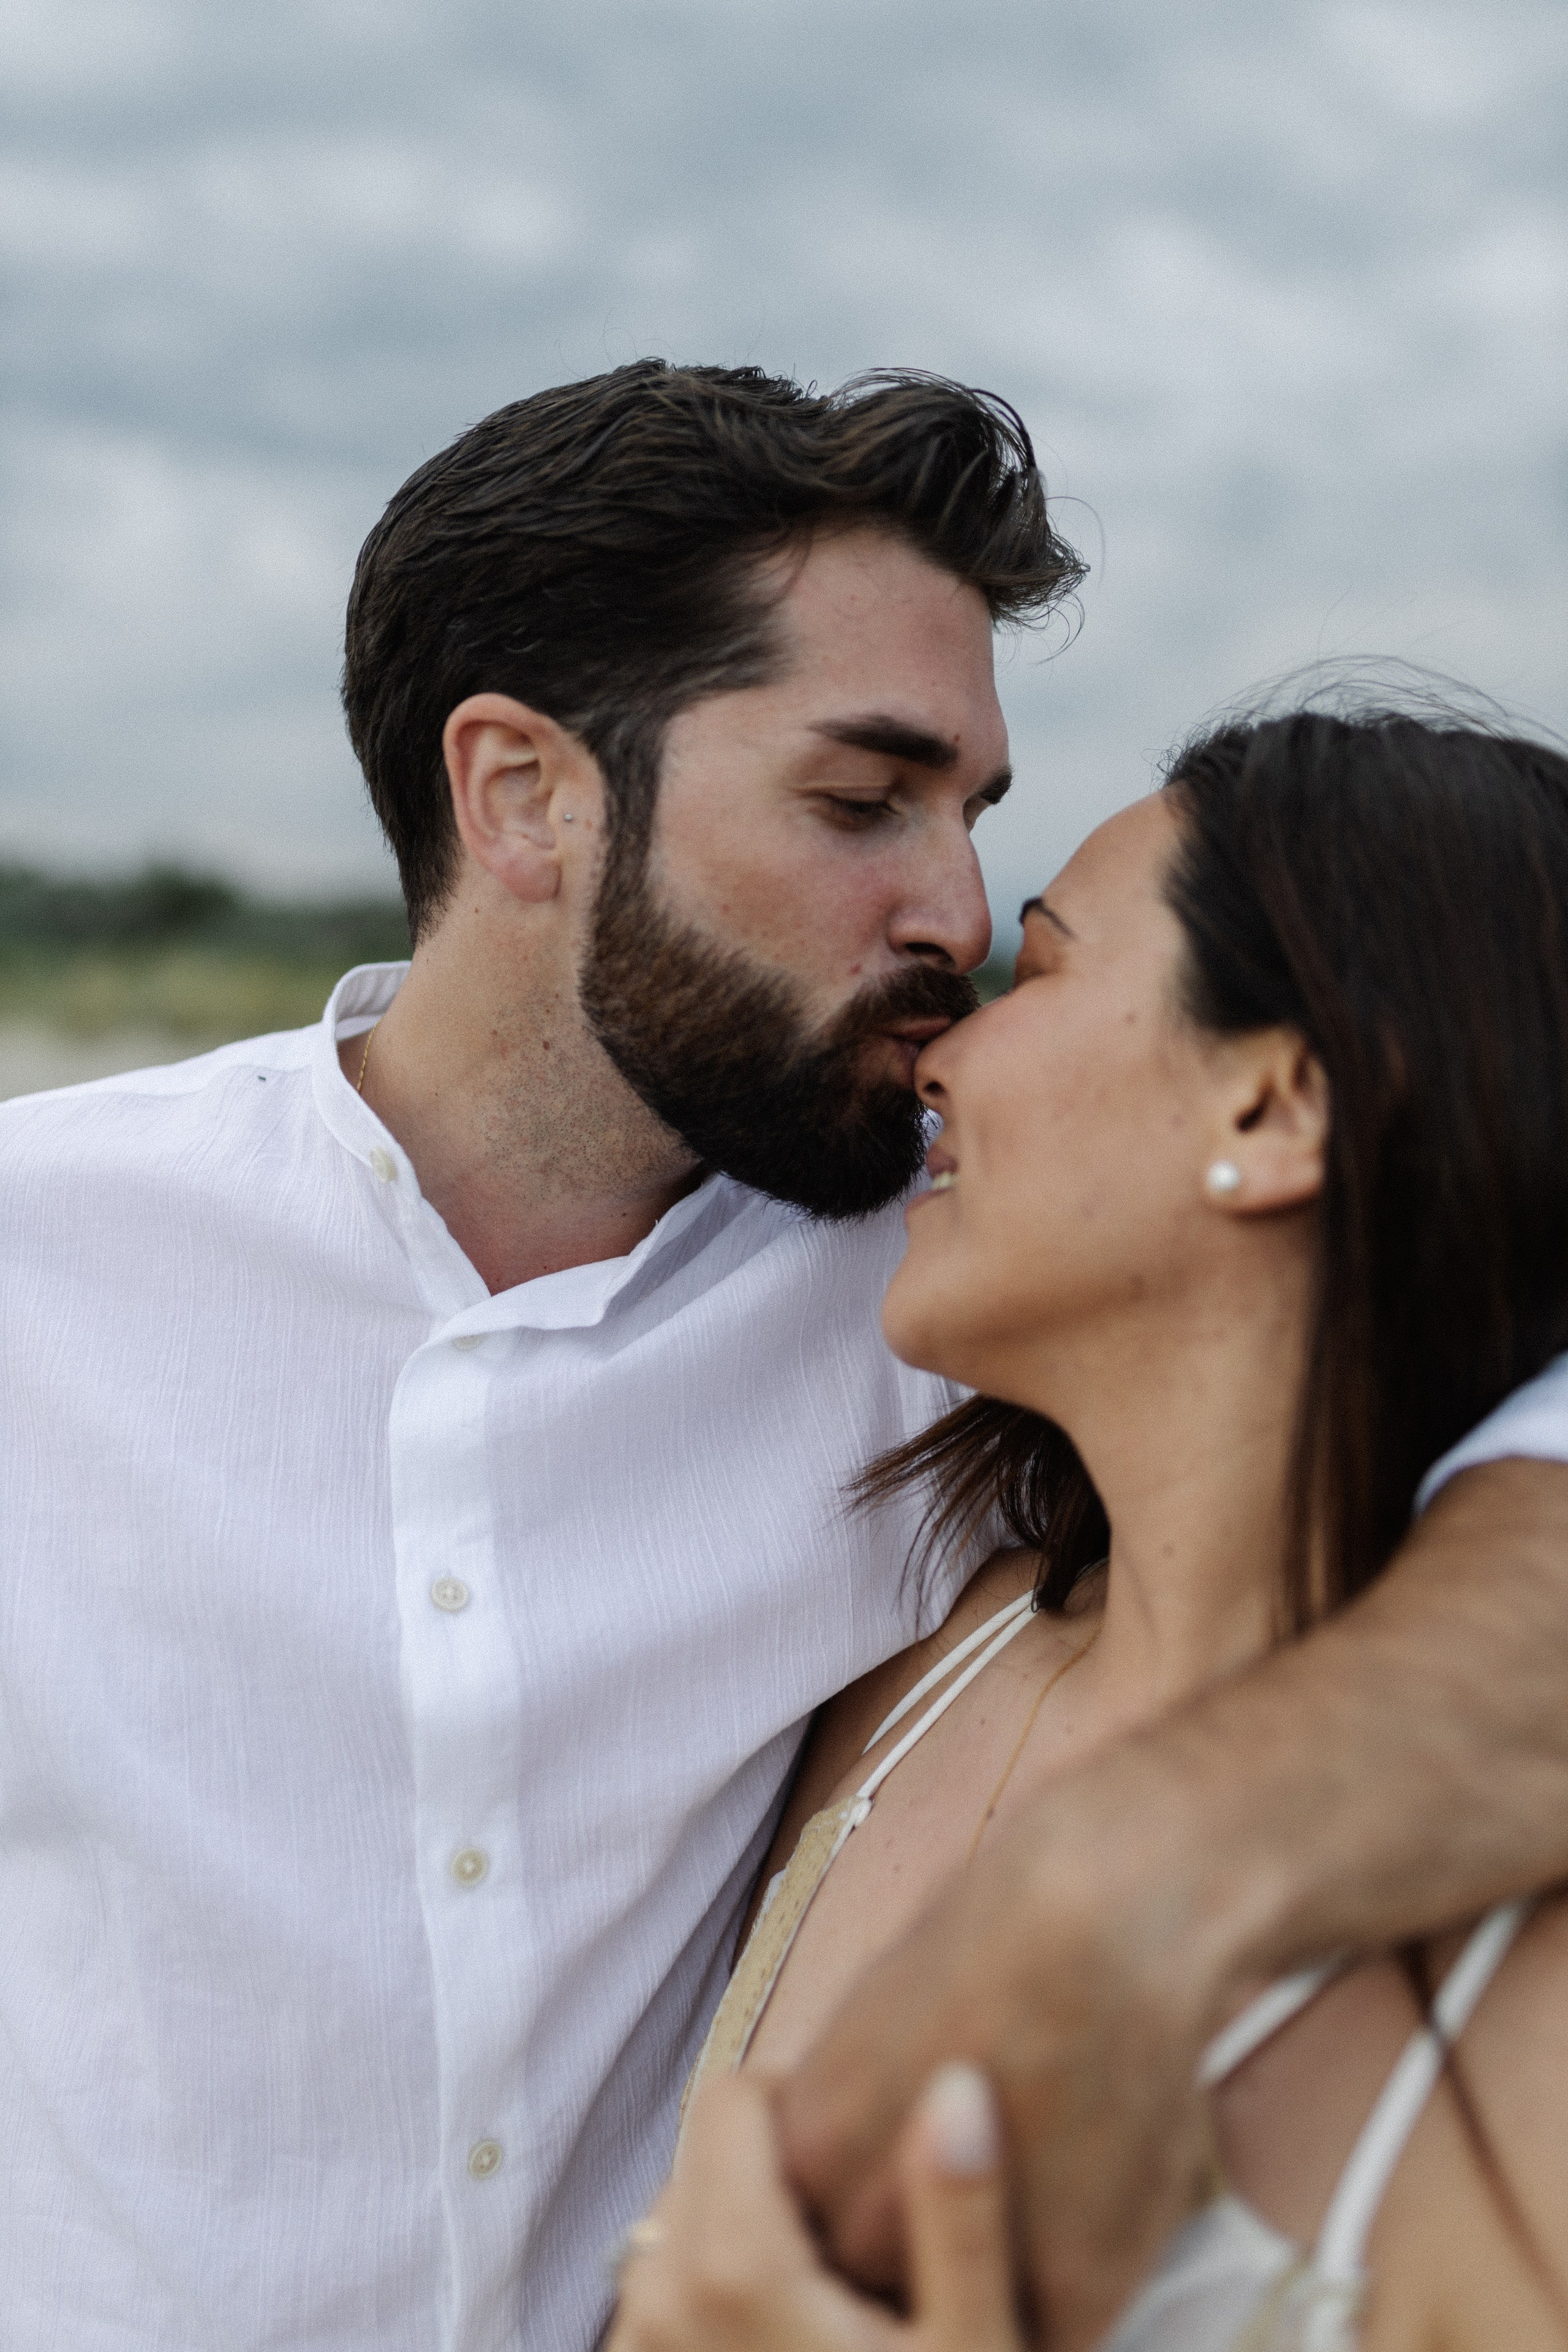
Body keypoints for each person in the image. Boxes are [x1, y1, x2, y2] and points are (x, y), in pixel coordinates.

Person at [0, 363, 1079, 2351]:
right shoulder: (32, 1259)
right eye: (864, 802)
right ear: (523, 795)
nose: (958, 910)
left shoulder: (965, 1298)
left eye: (969, 813)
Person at [608, 707, 1568, 2350]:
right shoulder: (897, 1678)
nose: (942, 1053)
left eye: (1043, 968)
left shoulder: (1523, 1988)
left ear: (1273, 1107)